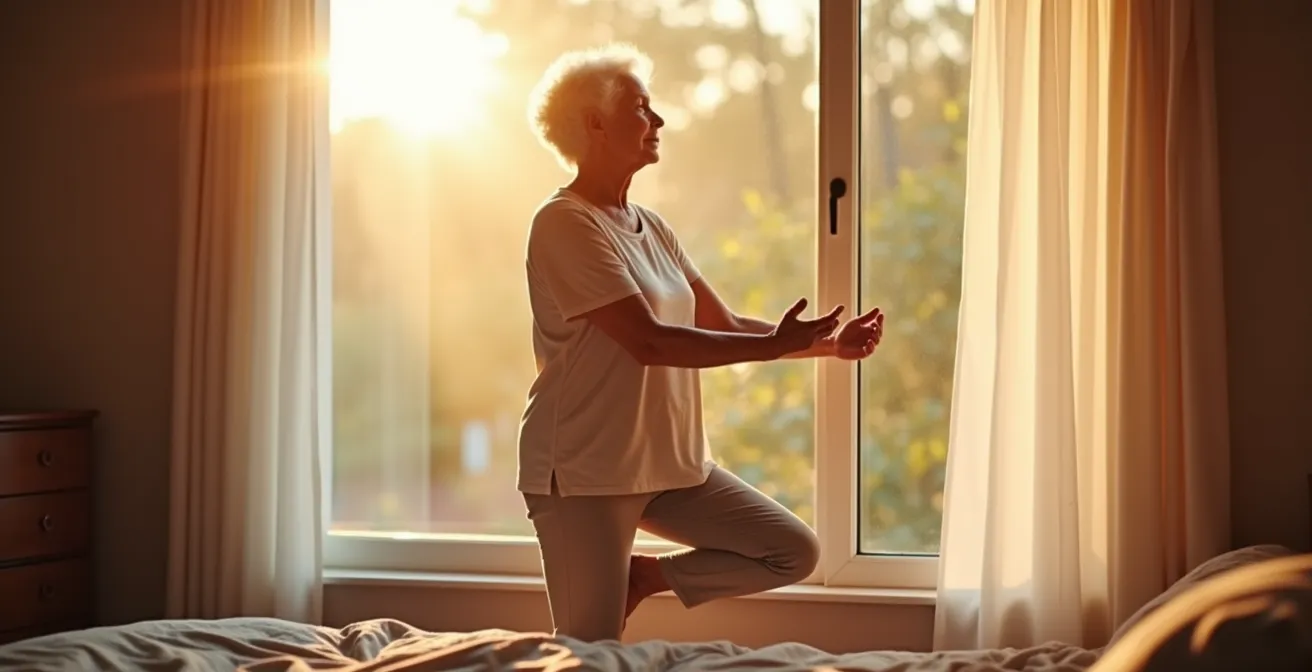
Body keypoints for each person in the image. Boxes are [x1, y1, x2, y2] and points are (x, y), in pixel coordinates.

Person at [517, 43, 885, 643]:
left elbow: (722, 324)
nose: (657, 121)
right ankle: (614, 595)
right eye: (641, 108)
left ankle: (645, 578)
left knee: (792, 550)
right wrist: (773, 348)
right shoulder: (564, 223)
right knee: (591, 650)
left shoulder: (652, 226)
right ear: (595, 124)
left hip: (670, 464)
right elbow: (651, 342)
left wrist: (829, 345)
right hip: (586, 471)